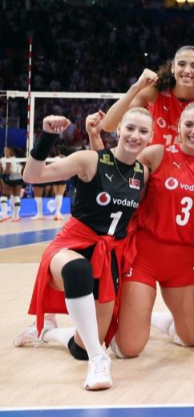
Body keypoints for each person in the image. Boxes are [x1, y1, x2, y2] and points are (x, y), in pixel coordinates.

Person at [14, 108, 153, 390]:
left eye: (143, 131)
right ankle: (99, 361)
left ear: (151, 137)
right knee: (79, 270)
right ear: (118, 129)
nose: (135, 136)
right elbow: (32, 175)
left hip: (108, 255)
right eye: (130, 128)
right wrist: (47, 135)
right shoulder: (89, 160)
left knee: (81, 347)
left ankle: (48, 332)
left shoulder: (143, 173)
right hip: (71, 246)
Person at [112, 103, 194, 358]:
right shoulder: (156, 154)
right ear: (178, 127)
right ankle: (101, 326)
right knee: (128, 350)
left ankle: (155, 319)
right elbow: (117, 169)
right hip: (144, 257)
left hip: (183, 262)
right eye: (189, 124)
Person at [103, 46, 194, 151]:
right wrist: (136, 87)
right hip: (153, 164)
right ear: (173, 68)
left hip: (189, 167)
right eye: (181, 64)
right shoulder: (155, 90)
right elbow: (109, 125)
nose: (187, 70)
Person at [2, 147, 24, 222]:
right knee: (16, 197)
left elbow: (7, 171)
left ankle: (4, 214)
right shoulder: (20, 160)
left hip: (11, 176)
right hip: (19, 177)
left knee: (4, 195)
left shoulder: (5, 159)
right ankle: (16, 216)